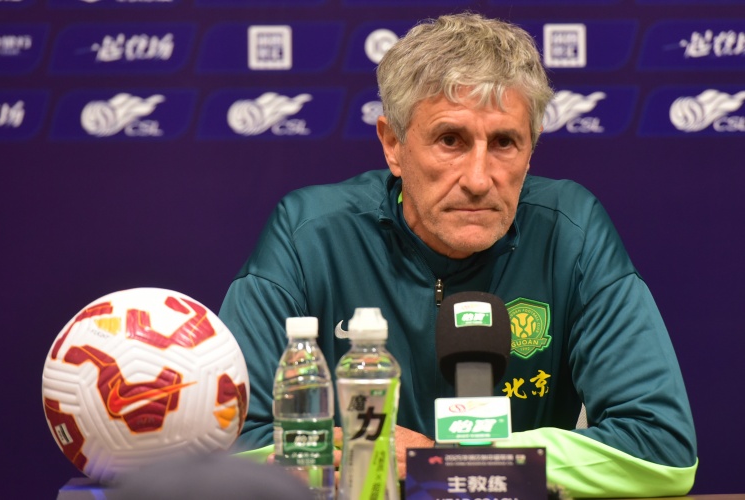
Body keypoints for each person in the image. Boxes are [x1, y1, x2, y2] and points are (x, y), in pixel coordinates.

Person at [220, 13, 697, 498]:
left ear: (531, 149)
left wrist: (448, 464)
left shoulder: (570, 232)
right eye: (451, 140)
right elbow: (227, 450)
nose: (478, 179)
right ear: (393, 144)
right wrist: (360, 458)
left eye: (505, 143)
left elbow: (662, 450)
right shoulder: (309, 236)